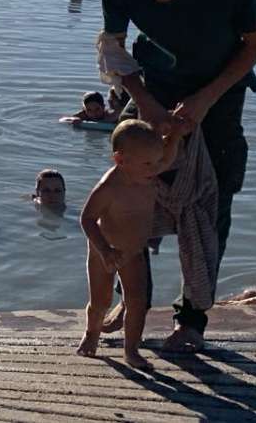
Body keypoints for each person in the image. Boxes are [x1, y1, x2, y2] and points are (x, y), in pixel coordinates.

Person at [99, 0, 256, 351]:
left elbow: (255, 43)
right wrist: (146, 104)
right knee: (128, 190)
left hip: (221, 93)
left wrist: (206, 98)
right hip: (151, 88)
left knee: (213, 201)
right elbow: (114, 49)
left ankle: (192, 317)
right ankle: (132, 297)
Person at [76, 120, 180, 371]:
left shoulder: (148, 174)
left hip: (134, 251)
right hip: (105, 251)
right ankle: (92, 333)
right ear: (120, 160)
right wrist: (104, 250)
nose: (156, 168)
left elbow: (166, 157)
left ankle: (131, 349)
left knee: (138, 301)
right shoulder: (110, 187)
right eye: (148, 163)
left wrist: (176, 133)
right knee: (101, 300)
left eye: (156, 162)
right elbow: (87, 219)